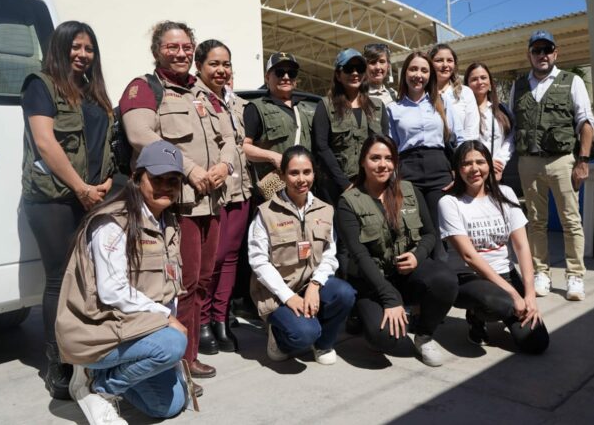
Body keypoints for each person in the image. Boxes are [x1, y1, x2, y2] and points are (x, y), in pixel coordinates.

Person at [119, 21, 236, 390]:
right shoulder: (144, 88)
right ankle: (174, 362)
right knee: (178, 285)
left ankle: (189, 355)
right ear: (157, 50)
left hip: (209, 204)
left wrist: (224, 166)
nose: (181, 53)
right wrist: (190, 169)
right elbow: (140, 134)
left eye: (186, 47)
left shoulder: (204, 92)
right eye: (172, 47)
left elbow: (231, 136)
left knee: (201, 283)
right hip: (174, 206)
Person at [56, 140, 193, 424]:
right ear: (136, 177)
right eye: (157, 179)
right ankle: (99, 387)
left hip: (137, 329)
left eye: (173, 180)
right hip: (99, 331)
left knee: (170, 405)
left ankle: (112, 373)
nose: (165, 187)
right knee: (172, 344)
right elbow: (112, 290)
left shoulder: (167, 222)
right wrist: (166, 319)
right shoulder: (112, 223)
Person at [21, 20, 114, 400]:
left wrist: (105, 183)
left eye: (89, 48)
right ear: (59, 48)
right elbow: (45, 143)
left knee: (90, 278)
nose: (83, 54)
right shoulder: (40, 85)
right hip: (54, 198)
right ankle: (57, 361)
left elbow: (103, 144)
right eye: (76, 46)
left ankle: (86, 350)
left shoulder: (93, 92)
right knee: (60, 279)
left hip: (92, 194)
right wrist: (81, 188)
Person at [336, 135, 458, 366]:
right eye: (375, 158)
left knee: (446, 281)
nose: (383, 164)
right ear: (362, 162)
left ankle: (424, 336)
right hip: (371, 281)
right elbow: (359, 255)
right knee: (386, 338)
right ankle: (360, 314)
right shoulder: (348, 202)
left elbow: (430, 234)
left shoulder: (409, 191)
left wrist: (417, 256)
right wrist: (390, 299)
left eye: (388, 158)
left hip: (405, 274)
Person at [248, 146, 356, 364]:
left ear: (314, 173)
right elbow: (258, 261)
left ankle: (323, 344)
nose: (301, 179)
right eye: (294, 173)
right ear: (282, 176)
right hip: (277, 293)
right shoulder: (266, 213)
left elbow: (330, 253)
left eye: (307, 172)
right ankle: (279, 337)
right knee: (304, 334)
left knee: (345, 294)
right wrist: (288, 296)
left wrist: (315, 285)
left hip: (310, 285)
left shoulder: (325, 209)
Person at [439, 141, 549, 354]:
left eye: (480, 162)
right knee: (497, 303)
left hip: (506, 273)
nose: (474, 168)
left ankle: (505, 306)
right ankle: (475, 317)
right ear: (457, 170)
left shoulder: (505, 193)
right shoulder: (449, 203)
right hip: (469, 278)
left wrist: (529, 295)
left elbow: (522, 246)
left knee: (536, 342)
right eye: (466, 163)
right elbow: (469, 256)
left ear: (489, 165)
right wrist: (514, 295)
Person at [509, 30, 594, 301]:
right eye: (537, 50)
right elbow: (511, 125)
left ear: (555, 53)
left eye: (547, 49)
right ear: (530, 55)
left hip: (562, 161)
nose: (542, 55)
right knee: (536, 221)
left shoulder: (572, 81)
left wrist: (583, 160)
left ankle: (575, 276)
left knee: (571, 220)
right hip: (528, 162)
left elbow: (586, 122)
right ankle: (541, 273)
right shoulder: (518, 86)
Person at [193, 40, 252, 355]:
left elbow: (244, 145)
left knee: (230, 258)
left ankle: (220, 318)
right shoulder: (193, 98)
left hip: (241, 189)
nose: (221, 70)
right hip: (212, 191)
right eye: (214, 64)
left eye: (226, 64)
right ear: (199, 66)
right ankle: (201, 320)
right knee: (211, 260)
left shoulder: (238, 103)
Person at [387, 51, 453, 233]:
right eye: (413, 69)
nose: (418, 75)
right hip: (409, 172)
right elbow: (391, 148)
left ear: (430, 75)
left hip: (439, 170)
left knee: (443, 227)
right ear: (404, 74)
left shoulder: (442, 104)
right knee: (420, 229)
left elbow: (457, 139)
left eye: (424, 70)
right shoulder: (393, 109)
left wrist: (456, 172)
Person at [313, 48, 389, 204]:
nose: (355, 73)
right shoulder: (325, 106)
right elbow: (321, 147)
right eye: (348, 69)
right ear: (338, 75)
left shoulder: (377, 106)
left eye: (359, 69)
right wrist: (345, 184)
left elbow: (385, 146)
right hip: (337, 188)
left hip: (372, 185)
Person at [243, 52, 315, 190]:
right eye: (279, 72)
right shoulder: (256, 108)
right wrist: (273, 157)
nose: (286, 77)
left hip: (307, 187)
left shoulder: (308, 109)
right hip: (277, 188)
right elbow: (245, 148)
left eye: (291, 73)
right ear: (267, 77)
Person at [464, 62, 514, 181]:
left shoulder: (502, 110)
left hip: (497, 171)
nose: (480, 82)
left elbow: (511, 138)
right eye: (474, 79)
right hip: (473, 173)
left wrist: (499, 161)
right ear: (467, 85)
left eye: (483, 77)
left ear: (490, 83)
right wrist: (484, 162)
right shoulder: (462, 111)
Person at [428, 43, 480, 146]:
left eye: (449, 60)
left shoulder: (465, 93)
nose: (445, 65)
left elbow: (471, 130)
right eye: (439, 60)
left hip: (460, 151)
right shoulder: (423, 94)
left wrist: (465, 152)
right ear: (430, 64)